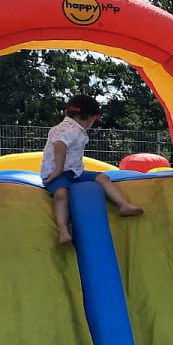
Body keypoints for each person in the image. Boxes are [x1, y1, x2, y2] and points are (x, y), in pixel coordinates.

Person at [40, 94, 143, 244]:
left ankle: (124, 205)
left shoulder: (68, 127)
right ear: (88, 118)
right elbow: (60, 145)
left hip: (74, 172)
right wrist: (58, 170)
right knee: (61, 194)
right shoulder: (72, 130)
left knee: (101, 177)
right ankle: (63, 230)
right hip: (56, 174)